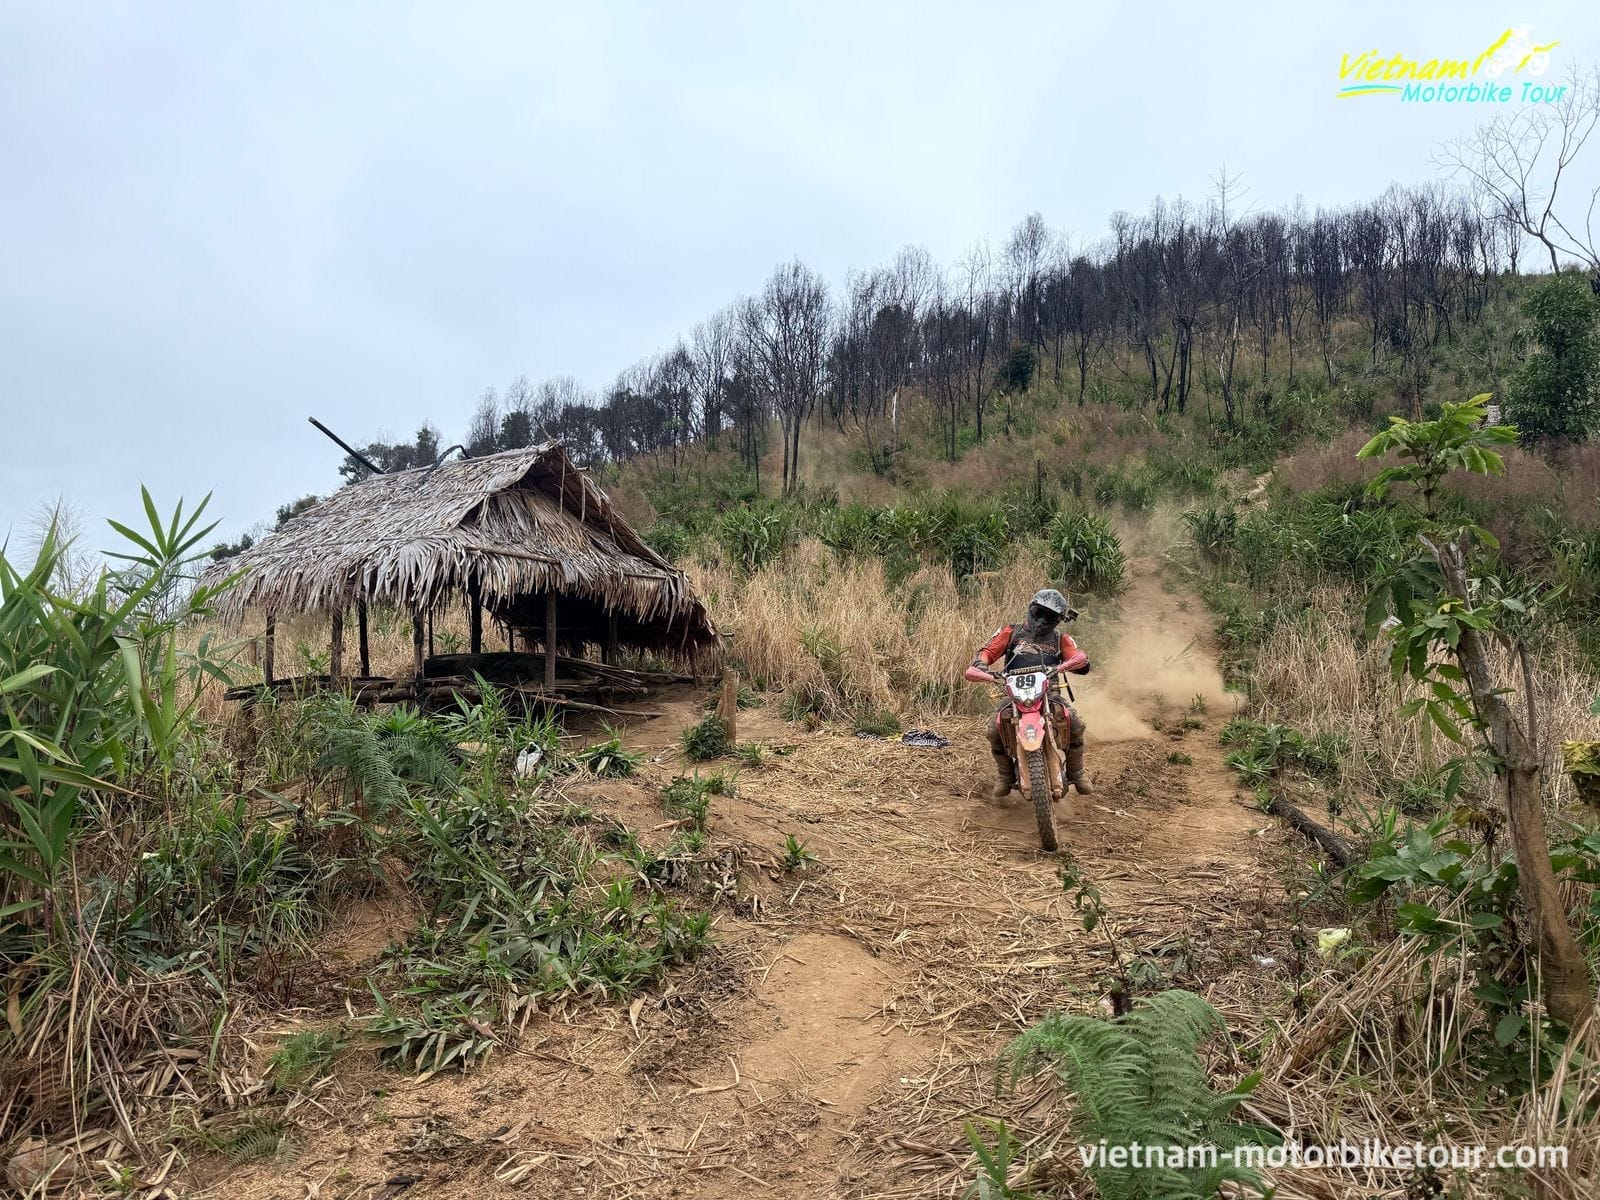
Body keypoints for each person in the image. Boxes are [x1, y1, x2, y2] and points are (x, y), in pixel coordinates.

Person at [968, 588, 1092, 800]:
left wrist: (1071, 663)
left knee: (1075, 723)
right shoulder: (1011, 632)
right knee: (994, 730)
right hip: (1013, 693)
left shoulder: (1061, 639)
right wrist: (982, 665)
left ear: (1058, 620)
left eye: (1050, 616)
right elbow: (988, 651)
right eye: (1039, 612)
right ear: (1031, 608)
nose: (1043, 620)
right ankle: (1005, 776)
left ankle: (1076, 771)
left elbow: (1078, 657)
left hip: (1049, 692)